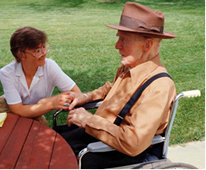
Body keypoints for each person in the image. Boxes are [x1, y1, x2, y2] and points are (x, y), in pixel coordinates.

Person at [61, 2, 177, 168]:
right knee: (49, 140)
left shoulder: (159, 87)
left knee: (53, 158)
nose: (117, 46)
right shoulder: (129, 67)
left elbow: (133, 143)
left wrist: (88, 121)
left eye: (124, 40)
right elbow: (111, 88)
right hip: (99, 134)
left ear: (147, 45)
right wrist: (86, 96)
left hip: (117, 152)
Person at [0, 26, 81, 124]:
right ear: (21, 54)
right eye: (37, 51)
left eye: (44, 47)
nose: (44, 53)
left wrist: (45, 101)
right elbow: (18, 110)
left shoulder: (49, 66)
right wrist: (51, 103)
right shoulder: (7, 73)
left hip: (34, 113)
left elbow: (77, 94)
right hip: (4, 110)